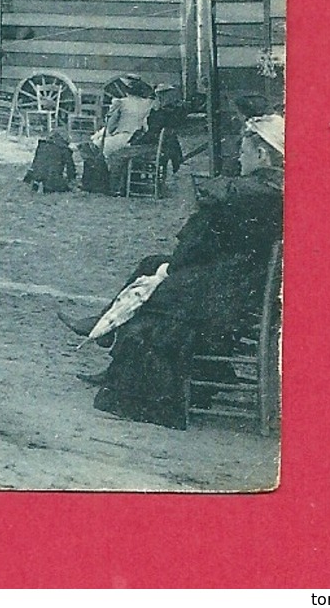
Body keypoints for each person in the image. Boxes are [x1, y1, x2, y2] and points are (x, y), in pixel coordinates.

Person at [61, 117, 284, 428]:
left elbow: (201, 240)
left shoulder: (251, 194)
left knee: (156, 290)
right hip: (243, 280)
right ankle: (107, 341)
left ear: (262, 155)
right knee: (152, 264)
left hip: (231, 292)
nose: (238, 158)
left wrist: (177, 265)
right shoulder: (268, 188)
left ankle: (118, 358)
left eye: (244, 152)